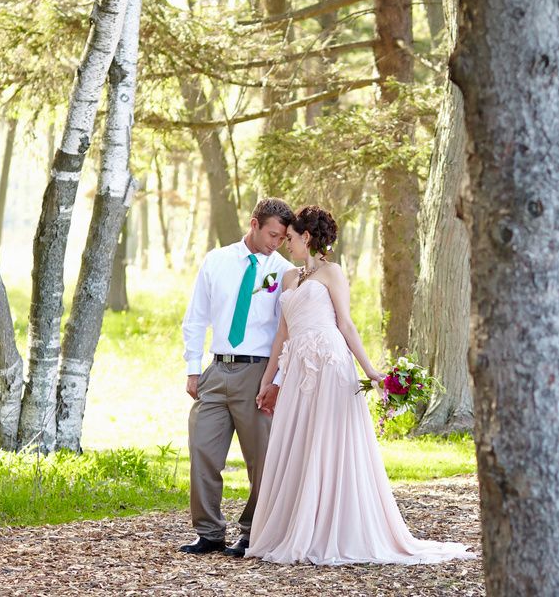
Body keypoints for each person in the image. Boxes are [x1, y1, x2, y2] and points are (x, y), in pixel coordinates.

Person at [245, 205, 475, 565]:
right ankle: (297, 524)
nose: (287, 245)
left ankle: (329, 529)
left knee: (328, 442)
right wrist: (268, 379)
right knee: (300, 442)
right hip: (297, 368)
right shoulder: (290, 278)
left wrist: (370, 371)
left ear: (306, 237)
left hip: (330, 365)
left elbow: (346, 325)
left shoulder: (332, 273)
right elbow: (282, 334)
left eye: (290, 238)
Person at [179, 199, 294, 557]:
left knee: (262, 459)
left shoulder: (285, 272)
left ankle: (252, 532)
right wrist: (193, 367)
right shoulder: (217, 261)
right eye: (272, 234)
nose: (276, 242)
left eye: (283, 237)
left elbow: (287, 331)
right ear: (254, 223)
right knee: (202, 449)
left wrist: (275, 380)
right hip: (217, 369)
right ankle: (210, 532)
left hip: (259, 372)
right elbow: (196, 316)